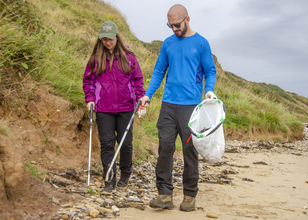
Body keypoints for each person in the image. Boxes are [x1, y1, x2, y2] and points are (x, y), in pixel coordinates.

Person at [140, 4, 217, 211]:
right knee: (165, 146)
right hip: (168, 105)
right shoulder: (168, 44)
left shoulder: (201, 43)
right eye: (170, 25)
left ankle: (190, 195)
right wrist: (148, 95)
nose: (174, 29)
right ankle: (164, 194)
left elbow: (210, 71)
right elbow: (158, 72)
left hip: (191, 106)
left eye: (177, 25)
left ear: (187, 19)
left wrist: (208, 90)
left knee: (189, 149)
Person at [83, 21, 146, 193]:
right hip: (103, 107)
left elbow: (137, 81)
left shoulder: (129, 57)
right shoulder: (95, 58)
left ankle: (126, 173)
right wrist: (90, 98)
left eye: (110, 39)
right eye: (104, 39)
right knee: (107, 143)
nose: (107, 42)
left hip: (126, 106)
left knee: (125, 144)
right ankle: (109, 178)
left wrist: (141, 100)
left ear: (117, 37)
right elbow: (88, 81)